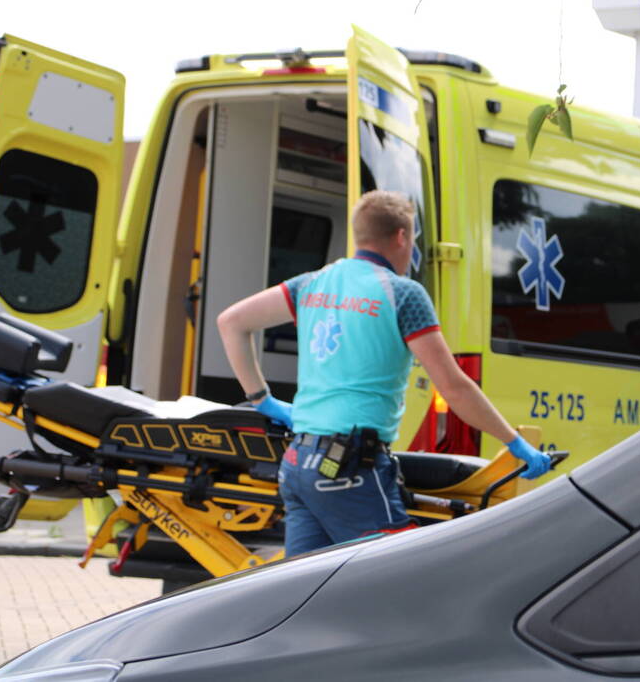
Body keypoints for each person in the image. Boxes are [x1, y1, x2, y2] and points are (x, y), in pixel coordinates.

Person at [218, 190, 551, 557]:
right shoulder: (402, 294)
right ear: (401, 237)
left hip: (299, 464)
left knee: (306, 595)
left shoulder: (311, 284)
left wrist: (262, 400)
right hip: (348, 470)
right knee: (400, 578)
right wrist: (514, 443)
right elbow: (454, 386)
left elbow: (231, 322)